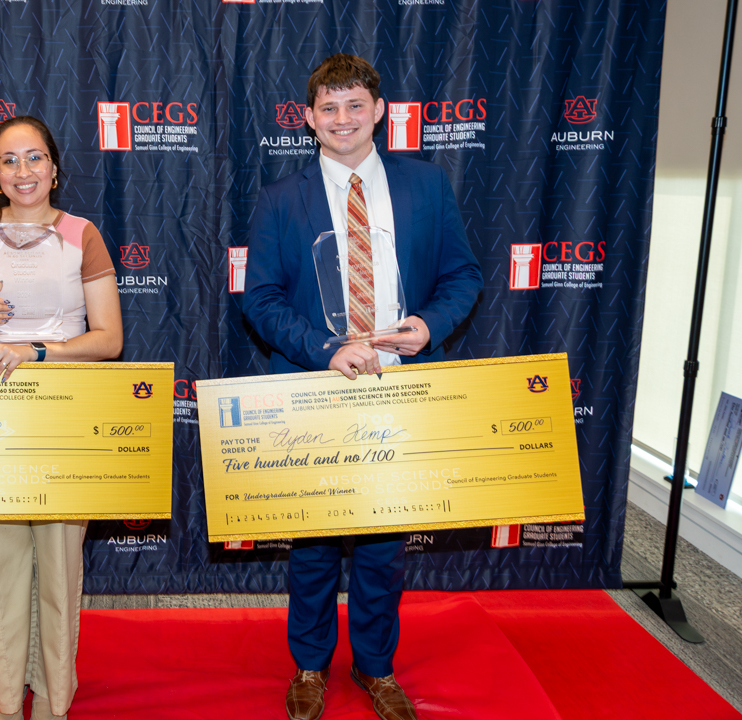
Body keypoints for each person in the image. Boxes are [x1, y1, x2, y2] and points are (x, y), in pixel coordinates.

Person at [241, 54, 482, 720]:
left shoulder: (428, 186)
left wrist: (429, 327)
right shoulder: (278, 199)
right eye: (328, 108)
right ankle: (311, 667)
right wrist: (326, 349)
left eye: (355, 106)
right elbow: (259, 300)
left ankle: (376, 668)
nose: (342, 120)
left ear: (379, 111)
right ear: (309, 118)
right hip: (315, 388)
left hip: (398, 389)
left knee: (383, 546)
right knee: (314, 544)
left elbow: (464, 277)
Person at [0, 115, 123, 720]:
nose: (23, 171)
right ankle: (5, 701)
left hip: (64, 413)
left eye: (34, 158)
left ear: (54, 167)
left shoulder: (82, 235)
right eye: (10, 161)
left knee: (60, 562)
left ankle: (54, 703)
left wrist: (36, 349)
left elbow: (110, 339)